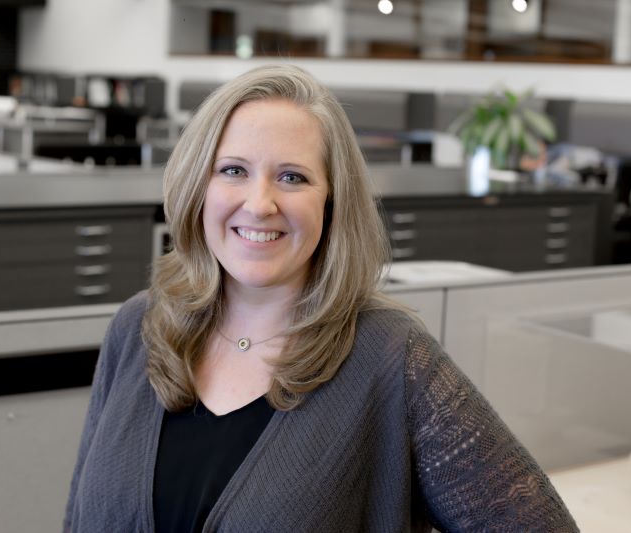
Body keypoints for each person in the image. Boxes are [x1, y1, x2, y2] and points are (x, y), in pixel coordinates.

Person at [63, 64, 578, 532]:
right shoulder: (139, 326)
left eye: (292, 177)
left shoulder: (389, 358)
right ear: (197, 184)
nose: (260, 204)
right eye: (233, 170)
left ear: (331, 201)